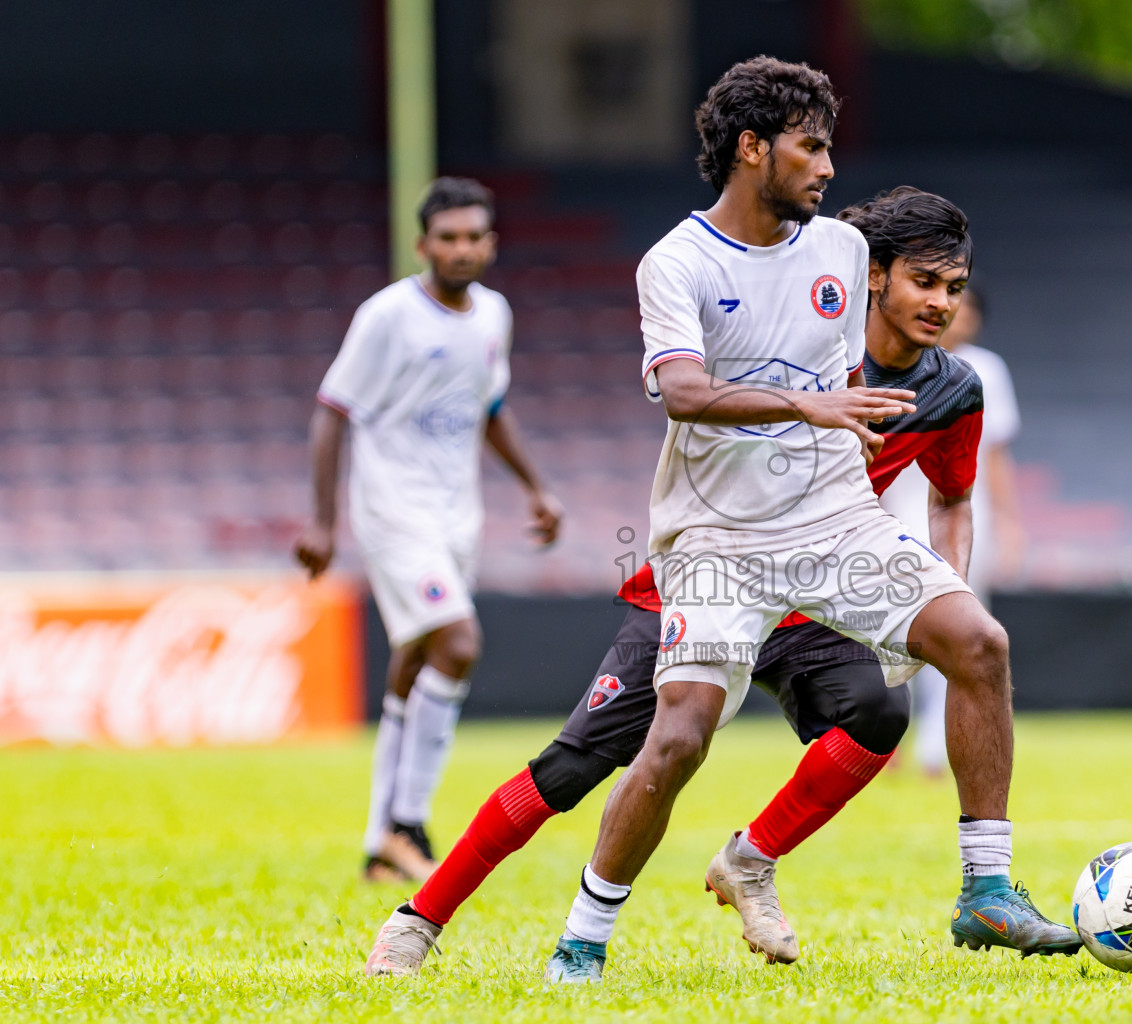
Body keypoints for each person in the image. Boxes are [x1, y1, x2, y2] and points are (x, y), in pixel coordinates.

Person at [361, 185, 1014, 978]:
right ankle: (420, 917)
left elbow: (952, 496)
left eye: (955, 287)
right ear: (872, 276)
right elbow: (693, 395)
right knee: (577, 765)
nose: (944, 303)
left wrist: (944, 588)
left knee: (878, 711)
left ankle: (753, 859)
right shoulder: (803, 345)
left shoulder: (950, 390)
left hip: (815, 590)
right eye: (926, 282)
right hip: (706, 577)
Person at [525, 55, 1074, 984]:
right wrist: (808, 409)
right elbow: (687, 395)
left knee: (979, 641)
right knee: (684, 730)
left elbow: (872, 393)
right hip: (715, 536)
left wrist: (847, 433)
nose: (827, 167)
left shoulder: (844, 253)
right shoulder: (676, 261)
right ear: (752, 147)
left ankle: (986, 892)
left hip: (829, 524)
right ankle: (584, 936)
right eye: (810, 147)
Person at [294, 177, 563, 884]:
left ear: (491, 243)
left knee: (415, 661)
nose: (462, 248)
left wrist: (534, 487)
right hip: (393, 508)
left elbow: (490, 406)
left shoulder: (492, 316)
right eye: (448, 238)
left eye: (474, 236)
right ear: (422, 246)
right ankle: (410, 823)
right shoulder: (388, 316)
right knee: (459, 641)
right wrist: (322, 522)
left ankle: (383, 842)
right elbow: (332, 409)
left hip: (456, 513)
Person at [881, 286, 1024, 774]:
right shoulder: (895, 363)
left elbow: (997, 454)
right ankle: (884, 739)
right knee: (888, 631)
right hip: (898, 514)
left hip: (963, 511)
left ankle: (934, 747)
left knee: (958, 631)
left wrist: (1008, 523)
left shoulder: (987, 370)